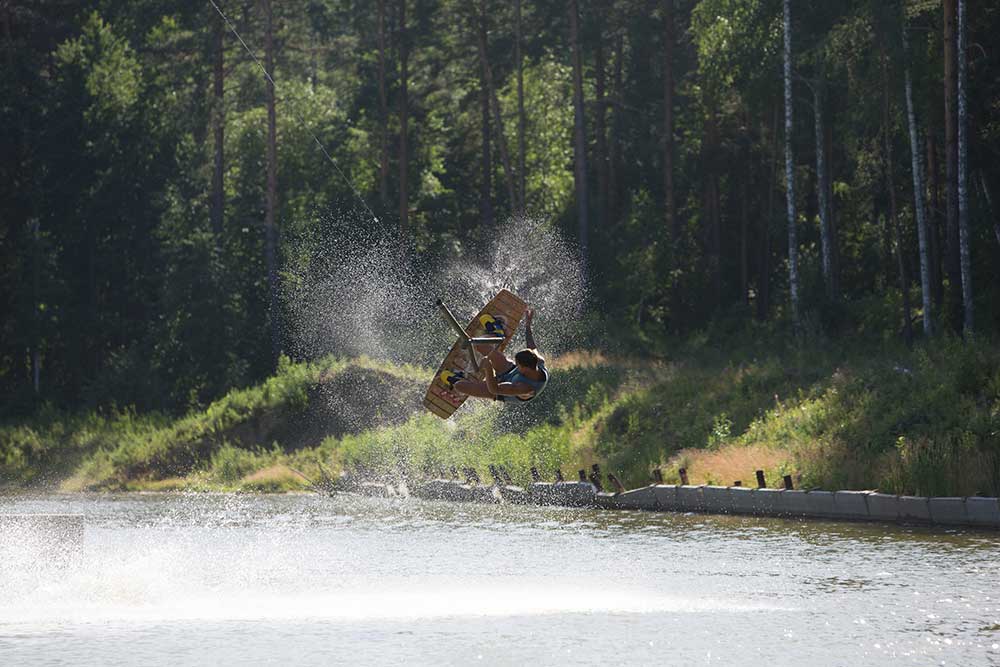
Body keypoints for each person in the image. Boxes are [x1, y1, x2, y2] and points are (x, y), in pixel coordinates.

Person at [439, 308, 548, 403]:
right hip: (508, 371)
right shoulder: (538, 361)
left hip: (499, 391)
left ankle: (457, 380)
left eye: (518, 365)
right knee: (479, 344)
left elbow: (494, 389)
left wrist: (488, 369)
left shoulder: (525, 388)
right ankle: (497, 331)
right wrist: (528, 325)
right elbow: (531, 346)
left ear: (525, 368)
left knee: (459, 386)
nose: (517, 366)